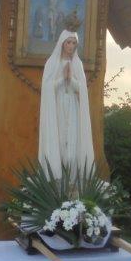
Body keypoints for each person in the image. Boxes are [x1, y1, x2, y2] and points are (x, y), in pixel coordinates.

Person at [38, 30, 95, 180]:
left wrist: (71, 79)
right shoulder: (52, 63)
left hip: (73, 107)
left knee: (72, 143)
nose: (71, 46)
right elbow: (47, 87)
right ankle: (56, 177)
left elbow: (82, 89)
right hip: (56, 107)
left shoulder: (77, 64)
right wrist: (62, 79)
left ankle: (72, 179)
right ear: (62, 43)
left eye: (74, 43)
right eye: (68, 42)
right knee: (59, 140)